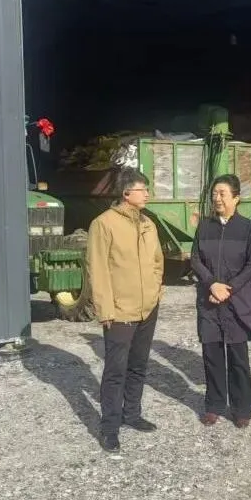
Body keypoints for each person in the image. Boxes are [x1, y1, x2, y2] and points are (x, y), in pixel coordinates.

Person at [85, 168, 164, 453]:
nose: (147, 194)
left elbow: (157, 261)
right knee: (115, 371)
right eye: (143, 189)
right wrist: (105, 308)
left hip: (147, 308)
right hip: (119, 311)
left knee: (139, 365)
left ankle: (132, 414)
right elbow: (97, 268)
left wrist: (156, 291)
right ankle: (109, 427)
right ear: (126, 193)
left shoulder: (148, 223)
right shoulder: (103, 224)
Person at [190, 174, 251, 428]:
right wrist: (212, 284)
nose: (217, 198)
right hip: (209, 301)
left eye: (222, 193)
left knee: (238, 358)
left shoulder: (248, 228)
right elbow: (195, 259)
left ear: (236, 198)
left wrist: (227, 290)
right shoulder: (205, 226)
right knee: (212, 356)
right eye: (214, 194)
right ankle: (214, 405)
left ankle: (242, 408)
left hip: (237, 302)